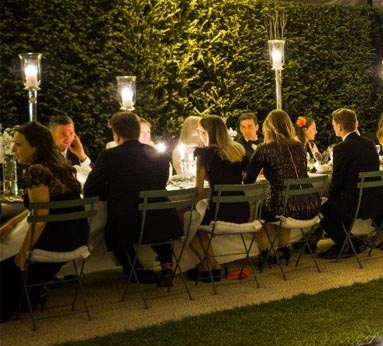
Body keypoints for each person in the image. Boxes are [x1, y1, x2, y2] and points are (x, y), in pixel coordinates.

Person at [1, 122, 89, 322]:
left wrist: (22, 255)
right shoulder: (61, 166)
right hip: (76, 236)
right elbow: (44, 207)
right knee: (9, 238)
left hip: (54, 240)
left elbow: (40, 216)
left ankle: (18, 298)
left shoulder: (36, 171)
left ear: (36, 146)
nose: (13, 150)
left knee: (4, 250)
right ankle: (31, 294)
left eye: (19, 145)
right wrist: (12, 223)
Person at [84, 112, 181, 287]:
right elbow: (160, 183)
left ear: (116, 134)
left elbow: (90, 189)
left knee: (114, 232)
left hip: (128, 221)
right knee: (154, 217)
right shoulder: (160, 155)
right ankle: (167, 266)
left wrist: (113, 192)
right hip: (164, 219)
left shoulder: (109, 156)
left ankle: (136, 271)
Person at [244, 109, 319, 264]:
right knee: (282, 202)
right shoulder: (299, 146)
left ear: (269, 128)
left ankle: (264, 253)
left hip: (287, 207)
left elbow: (249, 180)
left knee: (261, 211)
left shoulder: (264, 149)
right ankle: (282, 248)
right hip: (311, 205)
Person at [319, 109, 383, 258]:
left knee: (321, 208)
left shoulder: (341, 148)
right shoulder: (369, 144)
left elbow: (337, 180)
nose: (334, 128)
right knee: (339, 201)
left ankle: (348, 243)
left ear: (340, 127)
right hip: (375, 201)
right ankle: (350, 243)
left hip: (355, 204)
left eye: (334, 125)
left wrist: (331, 197)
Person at [189, 115, 248, 280]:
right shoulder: (238, 150)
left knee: (188, 222)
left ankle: (212, 264)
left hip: (221, 213)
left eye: (201, 132)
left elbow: (198, 191)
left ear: (207, 133)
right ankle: (209, 265)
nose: (200, 136)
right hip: (243, 210)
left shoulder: (205, 155)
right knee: (196, 220)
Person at [48, 115, 92, 182]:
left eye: (71, 133)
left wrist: (82, 156)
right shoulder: (45, 152)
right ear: (51, 134)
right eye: (63, 134)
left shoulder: (79, 150)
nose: (68, 138)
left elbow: (95, 176)